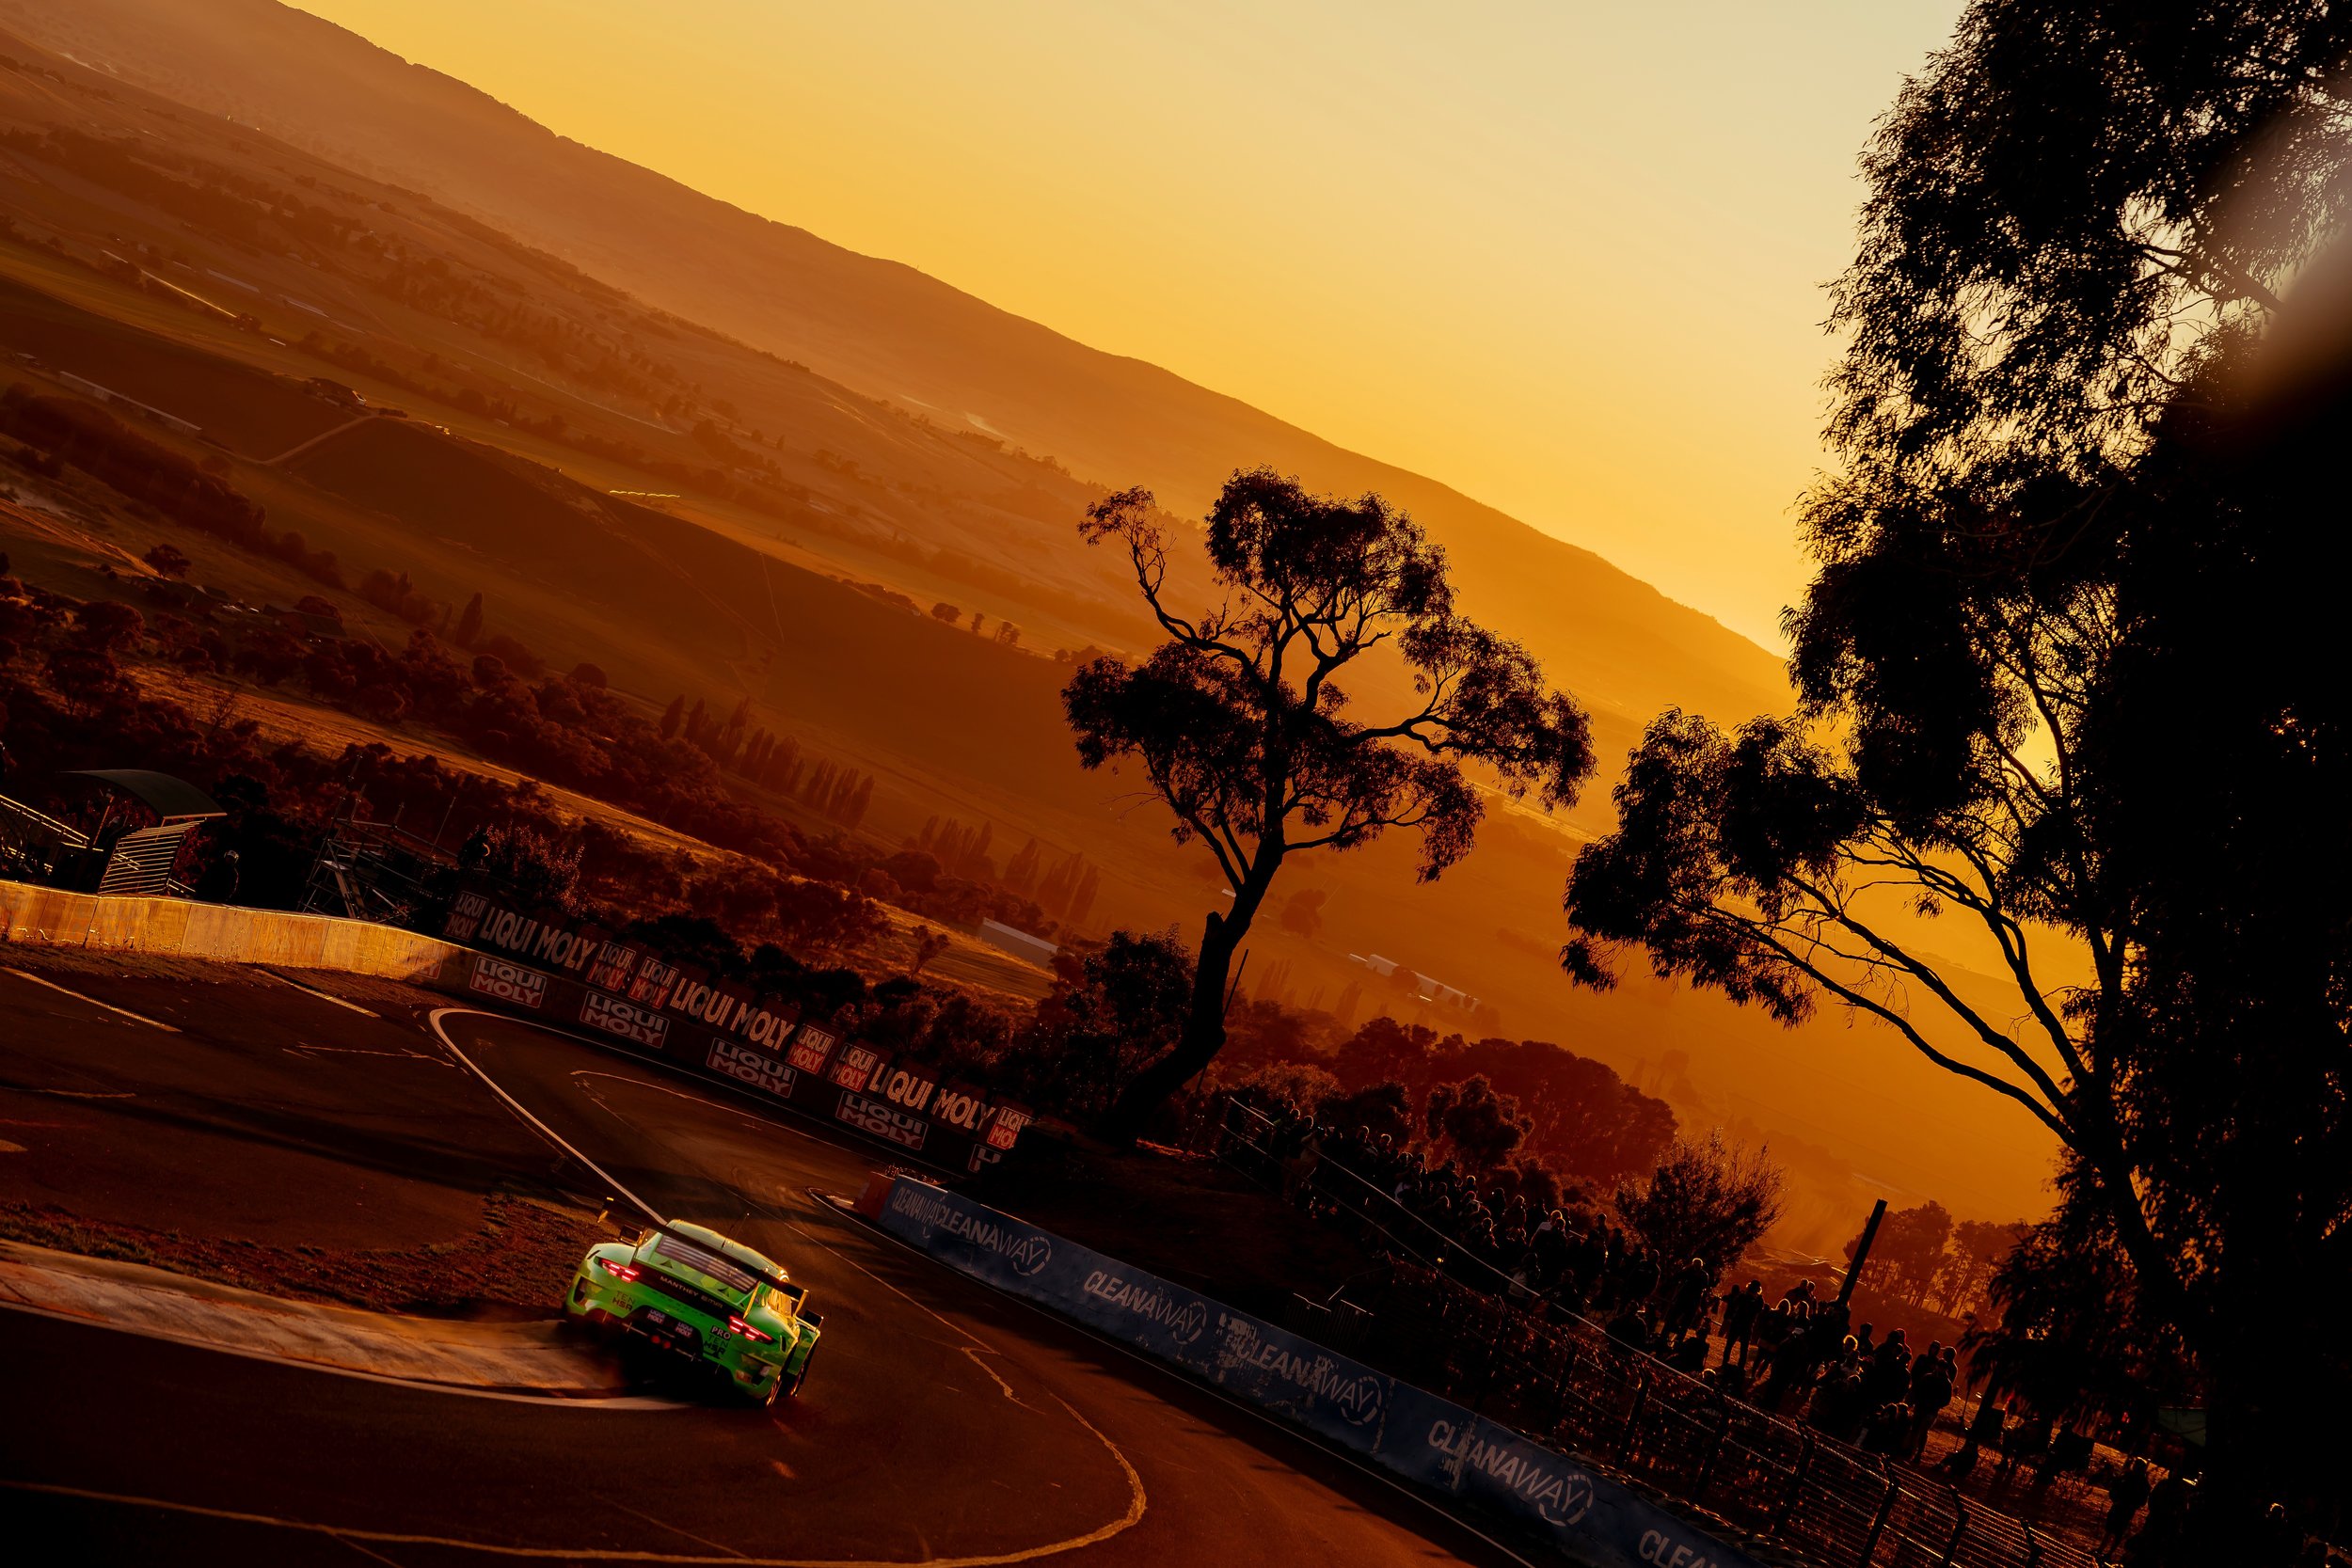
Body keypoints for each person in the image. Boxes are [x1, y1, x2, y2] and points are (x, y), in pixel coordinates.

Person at [2101, 1459, 2152, 1557]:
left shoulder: (2143, 1483)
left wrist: (2132, 1505)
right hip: (2118, 1505)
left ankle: (2110, 1552)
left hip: (2127, 1509)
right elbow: (2116, 1485)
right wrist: (2114, 1496)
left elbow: (2142, 1500)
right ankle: (2101, 1549)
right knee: (2109, 1528)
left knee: (2118, 1532)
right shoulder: (2128, 1476)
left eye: (2136, 1465)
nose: (2134, 1467)